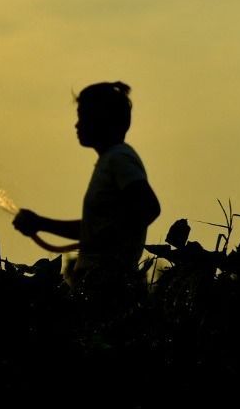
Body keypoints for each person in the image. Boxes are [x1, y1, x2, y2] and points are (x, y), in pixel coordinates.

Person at [13, 82, 160, 301]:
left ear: (103, 119)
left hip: (108, 287)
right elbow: (94, 229)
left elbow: (149, 208)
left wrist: (110, 241)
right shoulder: (110, 161)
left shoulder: (119, 159)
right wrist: (41, 224)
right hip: (98, 283)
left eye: (83, 116)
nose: (76, 125)